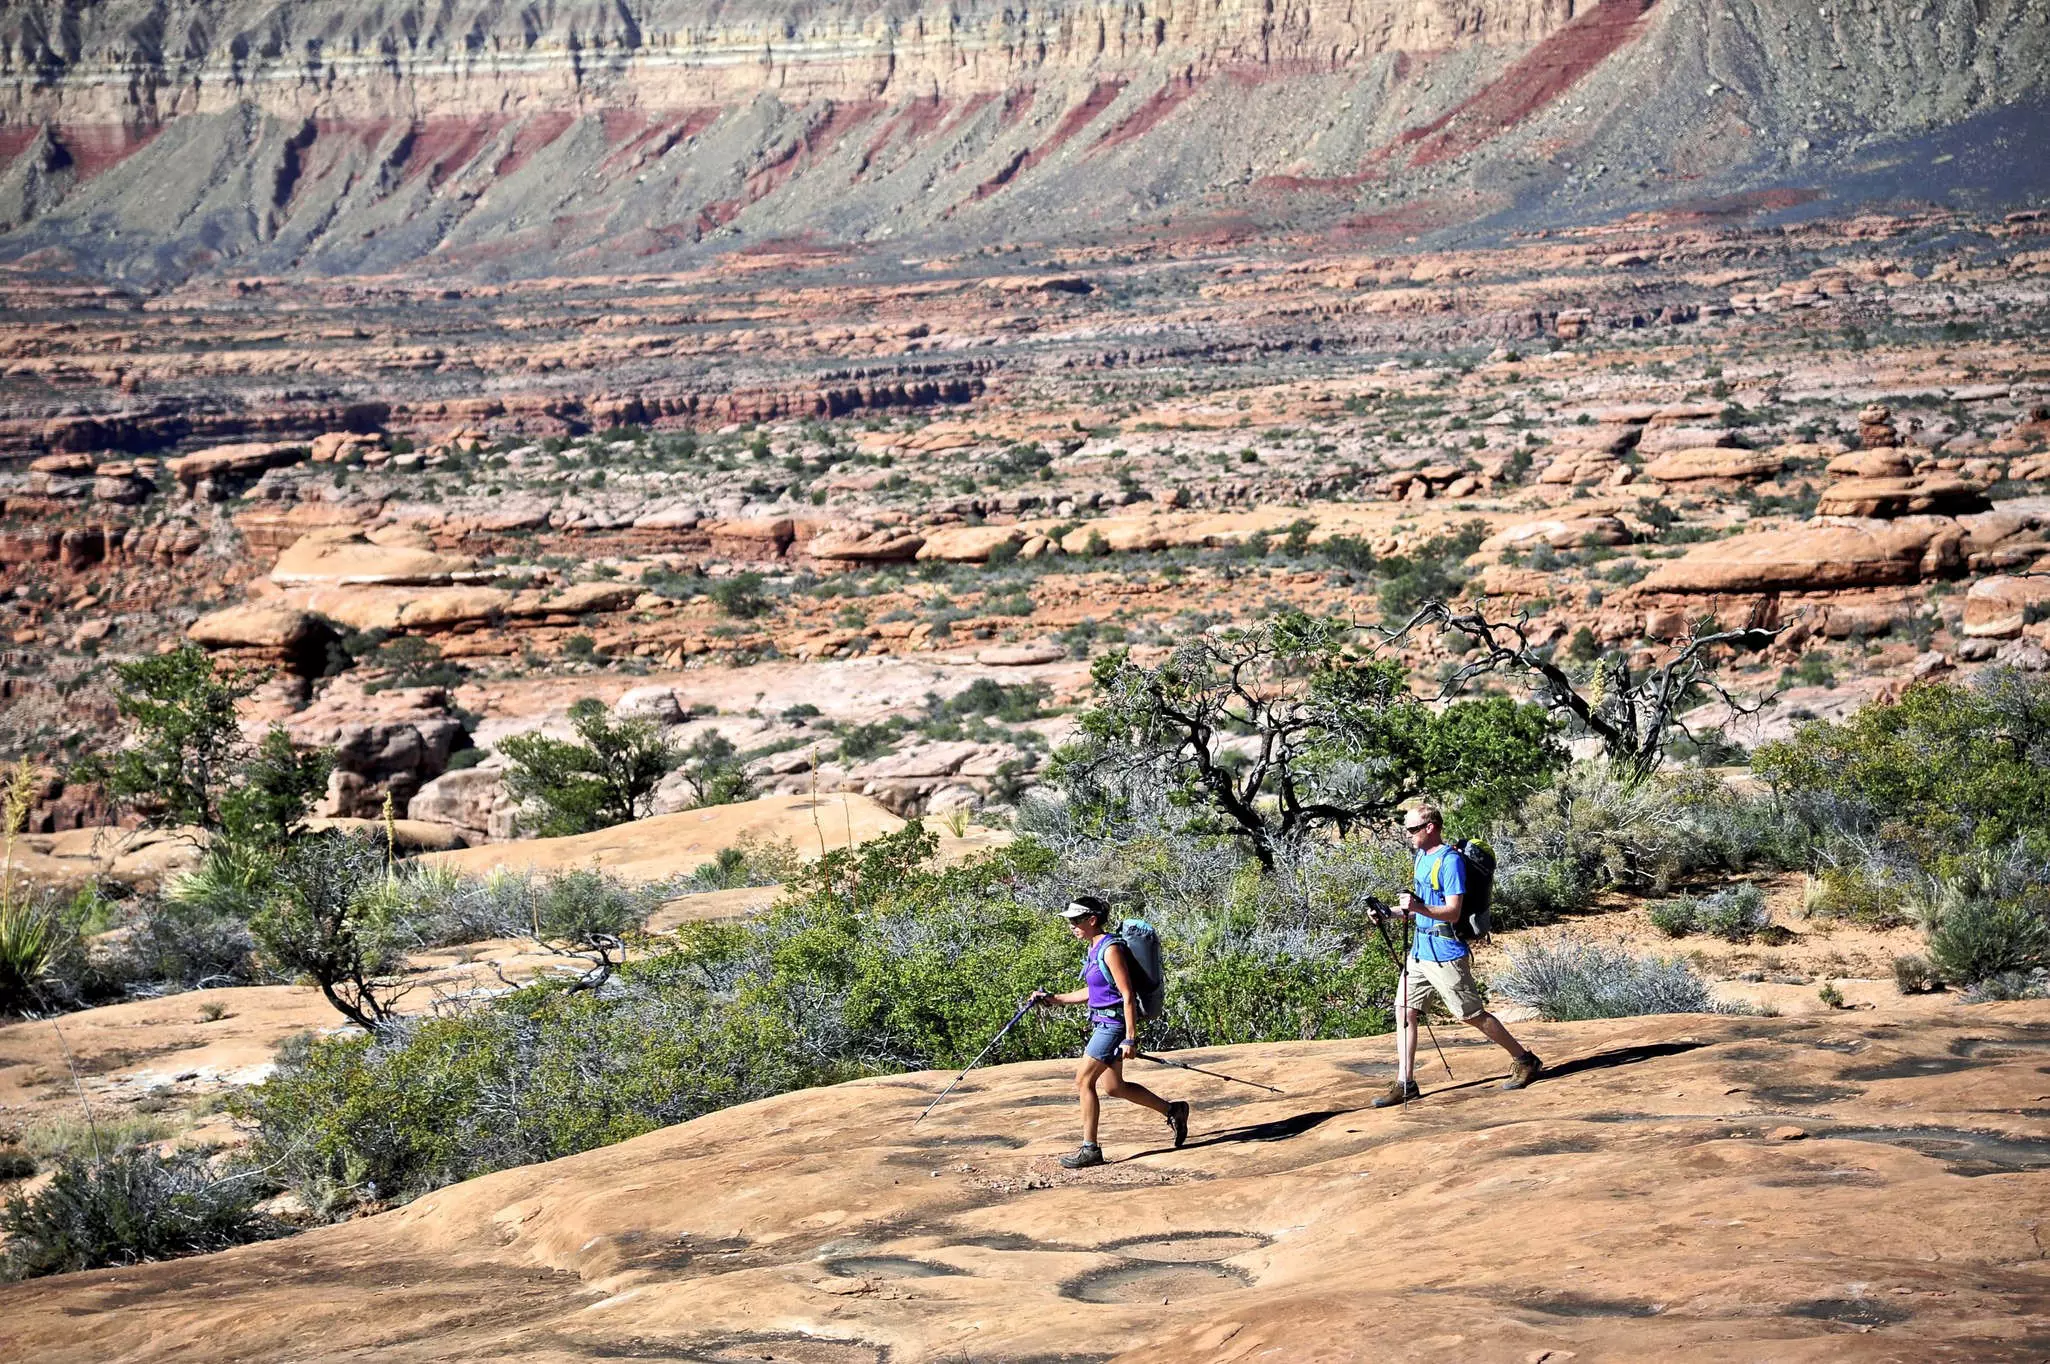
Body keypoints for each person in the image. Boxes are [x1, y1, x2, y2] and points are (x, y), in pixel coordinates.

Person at [1372, 805, 1542, 1107]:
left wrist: (1416, 908)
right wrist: (1388, 913)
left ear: (1430, 827)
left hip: (1446, 953)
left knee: (1470, 1015)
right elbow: (1420, 908)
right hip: (1420, 952)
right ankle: (1405, 1082)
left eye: (1412, 829)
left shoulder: (1449, 863)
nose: (1407, 835)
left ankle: (1525, 1059)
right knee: (1404, 1011)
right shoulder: (1421, 858)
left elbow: (1452, 912)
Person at [1031, 895, 1190, 1167]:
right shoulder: (1094, 948)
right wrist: (1055, 999)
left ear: (1092, 920)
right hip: (1103, 1023)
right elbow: (1094, 991)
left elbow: (1127, 995)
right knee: (1115, 1087)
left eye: (1075, 920)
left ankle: (1090, 1149)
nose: (1071, 925)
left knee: (1083, 1081)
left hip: (1112, 1026)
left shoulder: (1110, 949)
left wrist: (1130, 1037)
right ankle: (1173, 1110)